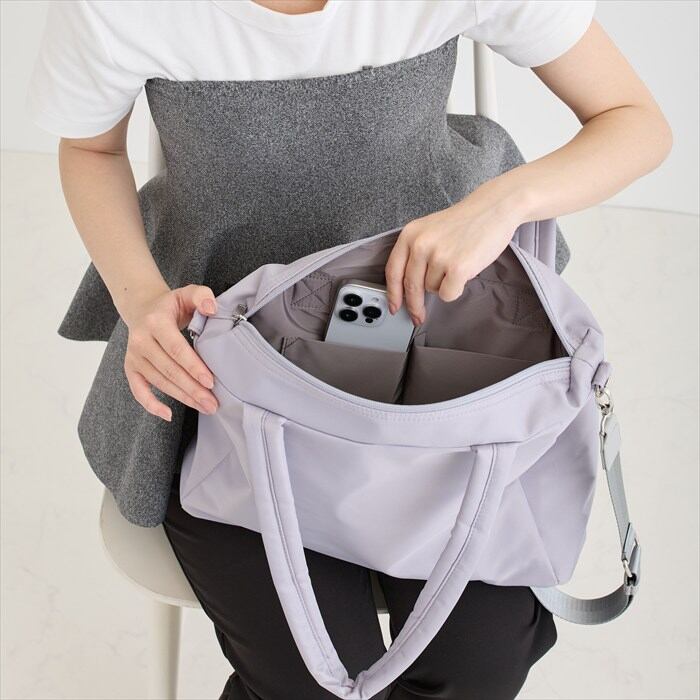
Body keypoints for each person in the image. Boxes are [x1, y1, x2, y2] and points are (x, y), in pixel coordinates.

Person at [26, 1, 671, 698]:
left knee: (479, 666)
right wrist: (140, 299)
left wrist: (503, 202)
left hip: (435, 345)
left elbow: (635, 122)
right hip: (228, 374)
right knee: (313, 683)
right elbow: (91, 148)